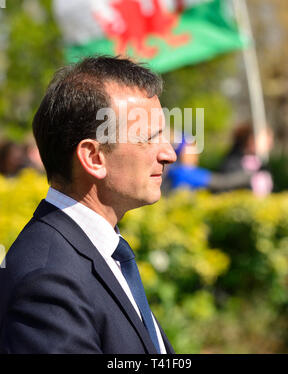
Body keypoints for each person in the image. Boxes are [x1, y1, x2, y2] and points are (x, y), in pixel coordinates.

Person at [0, 55, 177, 354]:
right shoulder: (49, 281)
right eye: (150, 138)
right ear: (94, 158)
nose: (169, 154)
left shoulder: (94, 251)